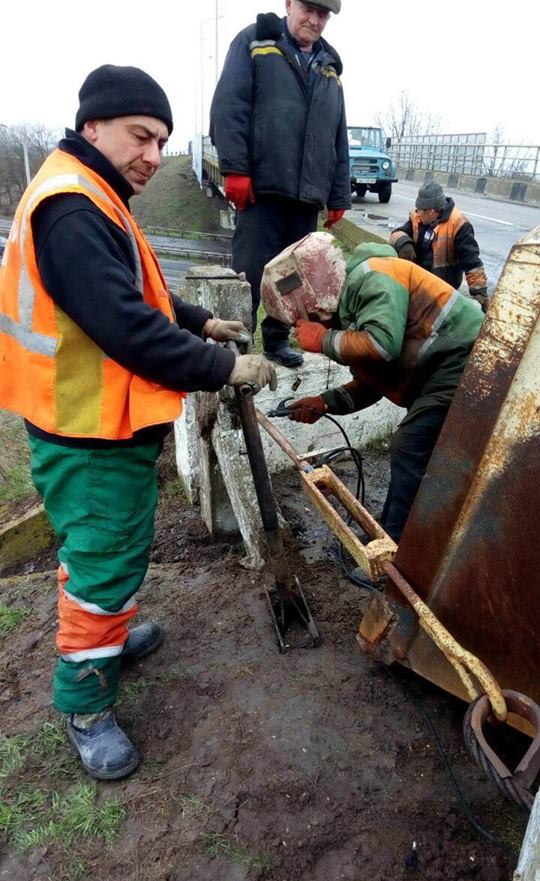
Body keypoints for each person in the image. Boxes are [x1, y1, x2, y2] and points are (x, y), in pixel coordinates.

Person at [0, 64, 276, 781]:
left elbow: (139, 290)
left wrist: (197, 319)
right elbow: (124, 325)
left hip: (98, 425)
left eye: (162, 141)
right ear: (93, 125)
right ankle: (85, 706)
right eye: (141, 136)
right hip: (84, 432)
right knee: (101, 561)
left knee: (113, 549)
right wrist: (224, 367)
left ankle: (109, 639)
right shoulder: (70, 208)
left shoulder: (96, 194)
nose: (154, 154)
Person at [261, 234, 484, 542]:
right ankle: (393, 532)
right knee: (412, 452)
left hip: (465, 362)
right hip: (438, 375)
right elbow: (372, 383)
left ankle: (399, 550)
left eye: (308, 319)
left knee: (409, 445)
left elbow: (382, 344)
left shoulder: (373, 275)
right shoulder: (349, 311)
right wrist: (323, 403)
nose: (308, 326)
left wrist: (323, 340)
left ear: (316, 297)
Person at [209, 0, 350, 368]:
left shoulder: (330, 68)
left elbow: (337, 135)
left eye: (324, 14)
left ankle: (274, 341)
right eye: (308, 9)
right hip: (262, 189)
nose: (314, 19)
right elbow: (229, 106)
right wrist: (235, 169)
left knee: (292, 279)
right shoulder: (255, 43)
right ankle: (237, 347)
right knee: (250, 272)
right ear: (289, 4)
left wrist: (338, 194)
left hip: (306, 196)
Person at [389, 181, 489, 311]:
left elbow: (471, 262)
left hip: (443, 286)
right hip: (418, 281)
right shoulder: (417, 218)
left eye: (420, 210)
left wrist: (480, 293)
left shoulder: (459, 225)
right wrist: (403, 243)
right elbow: (397, 233)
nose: (417, 213)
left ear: (431, 211)